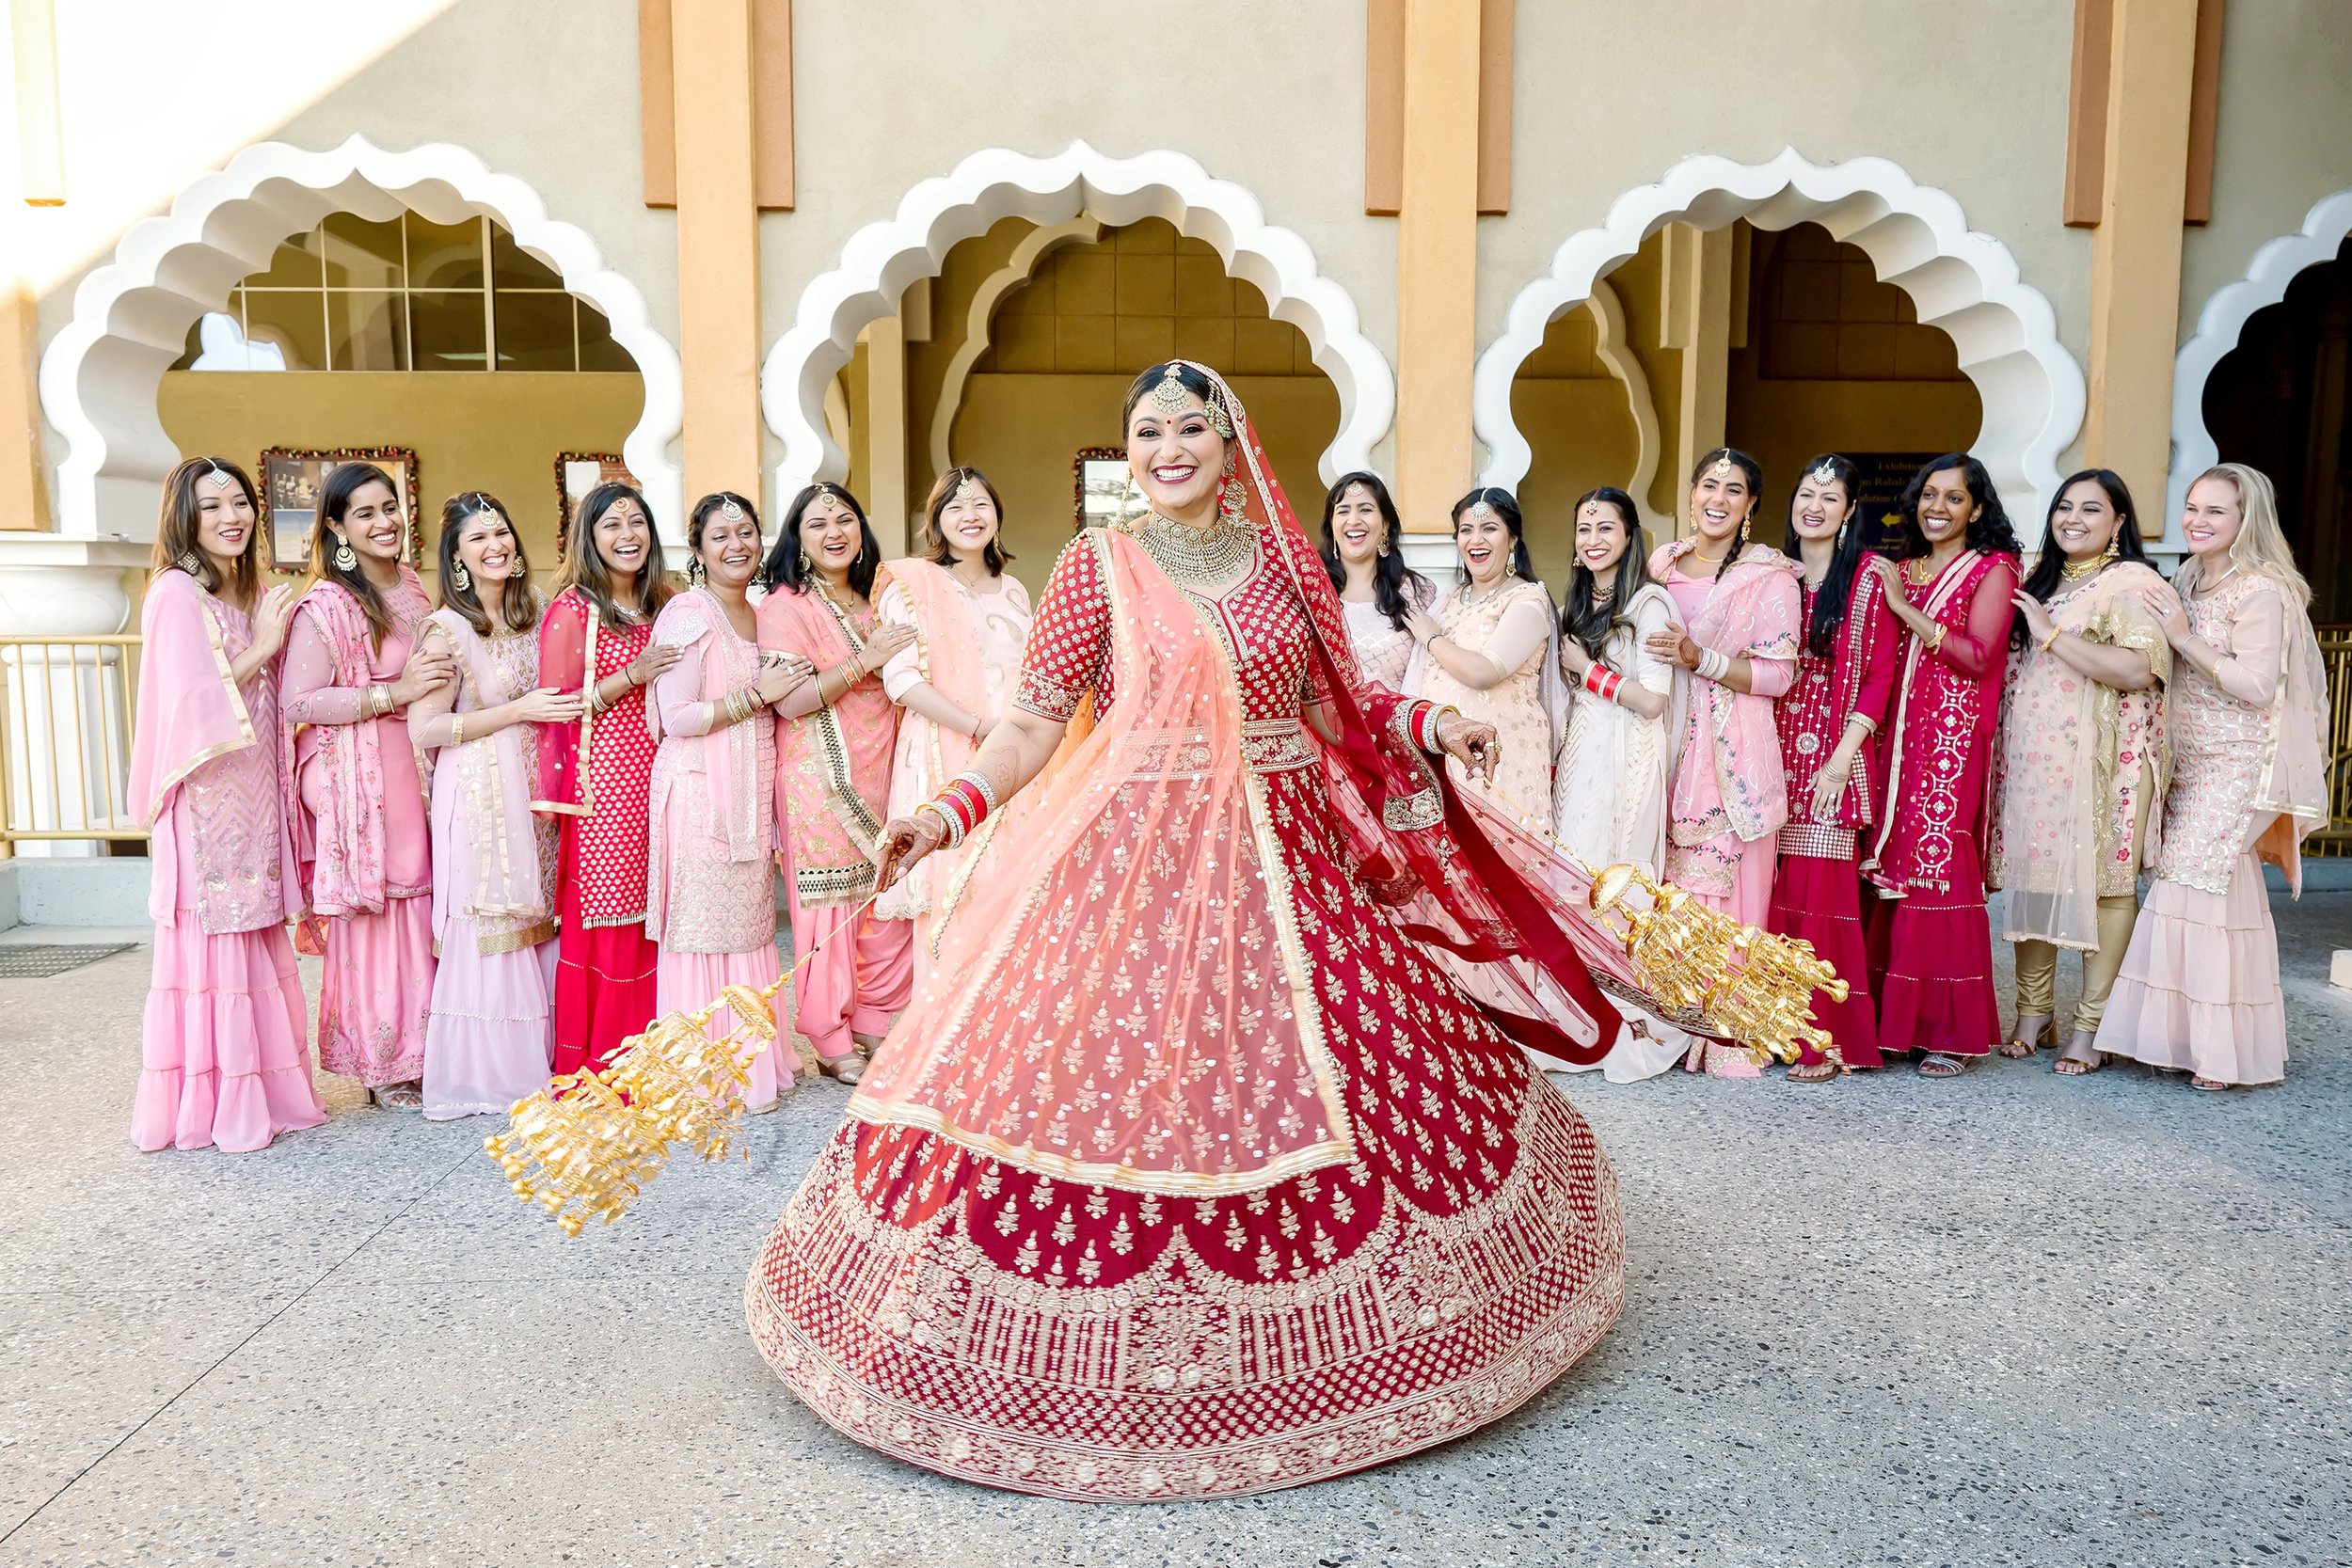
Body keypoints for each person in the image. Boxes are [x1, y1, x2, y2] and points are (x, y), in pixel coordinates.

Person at [745, 360, 1648, 1501]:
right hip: (1135, 866)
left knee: (1325, 1062)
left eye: (1190, 428)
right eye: (1147, 431)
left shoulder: (1282, 561)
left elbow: (1335, 706)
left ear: (1231, 445)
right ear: (1129, 451)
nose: (1168, 447)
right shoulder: (1096, 567)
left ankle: (1373, 1340)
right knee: (1101, 1072)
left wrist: (1430, 717)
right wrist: (943, 810)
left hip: (1287, 861)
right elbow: (1029, 725)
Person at [2097, 464, 2328, 1089]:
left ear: (2245, 519)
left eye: (2215, 511)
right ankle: (2190, 1041)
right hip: (2190, 762)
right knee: (2214, 888)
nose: (2197, 520)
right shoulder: (2190, 577)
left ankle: (2217, 1055)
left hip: (2238, 762)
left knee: (2191, 882)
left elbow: (2255, 687)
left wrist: (2182, 636)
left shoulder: (2262, 589)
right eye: (2192, 507)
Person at [127, 457, 326, 1152]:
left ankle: (265, 1093)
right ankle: (214, 1105)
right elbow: (189, 701)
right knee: (215, 946)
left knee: (256, 939)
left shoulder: (251, 590)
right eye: (212, 506)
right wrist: (267, 644)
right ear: (186, 516)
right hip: (207, 802)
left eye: (239, 502)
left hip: (257, 799)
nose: (231, 517)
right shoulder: (175, 593)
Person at [1992, 470, 2171, 1076]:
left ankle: (2091, 1025)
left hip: (2109, 760)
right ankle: (2033, 1013)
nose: (2072, 518)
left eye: (2091, 509)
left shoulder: (2132, 582)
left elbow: (2137, 670)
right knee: (2037, 880)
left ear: (2119, 523)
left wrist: (2049, 634)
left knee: (2109, 886)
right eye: (2064, 506)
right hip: (2037, 760)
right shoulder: (2037, 580)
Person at [281, 462, 449, 1109]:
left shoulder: (410, 586)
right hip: (363, 776)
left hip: (418, 764)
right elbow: (301, 703)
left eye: (391, 508)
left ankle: (430, 1048)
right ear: (336, 527)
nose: (385, 523)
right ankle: (385, 1063)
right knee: (385, 911)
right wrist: (394, 693)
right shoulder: (327, 605)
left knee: (422, 905)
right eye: (366, 514)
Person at [407, 493, 576, 1120]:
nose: (494, 546)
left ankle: (543, 1056)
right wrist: (517, 712)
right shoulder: (445, 630)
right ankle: (491, 1074)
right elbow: (424, 729)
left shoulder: (535, 614)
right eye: (476, 539)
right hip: (481, 791)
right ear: (456, 557)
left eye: (500, 531)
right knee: (496, 924)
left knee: (541, 920)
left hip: (532, 787)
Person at [1864, 454, 2022, 1077]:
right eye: (1929, 495)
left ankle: (1947, 1033)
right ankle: (1891, 1023)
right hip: (1893, 741)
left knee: (1938, 864)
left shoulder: (1994, 569)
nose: (1938, 507)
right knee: (1889, 867)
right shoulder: (1901, 566)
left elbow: (1979, 655)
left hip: (1951, 742)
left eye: (1954, 498)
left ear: (1977, 509)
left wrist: (1906, 609)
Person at [648, 494, 807, 1109]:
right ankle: (701, 1073)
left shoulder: (764, 611)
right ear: (698, 549)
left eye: (746, 531)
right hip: (696, 796)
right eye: (721, 535)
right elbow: (676, 715)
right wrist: (756, 695)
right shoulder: (690, 613)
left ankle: (751, 1063)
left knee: (748, 933)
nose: (736, 544)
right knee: (703, 935)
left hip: (748, 793)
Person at [1645, 449, 1800, 1077]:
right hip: (1665, 738)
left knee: (1730, 891)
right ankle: (1675, 1031)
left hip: (1732, 745)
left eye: (1734, 489)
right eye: (1709, 483)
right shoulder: (1660, 566)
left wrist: (1698, 657)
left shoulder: (1770, 579)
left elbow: (1778, 675)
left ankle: (1727, 1031)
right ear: (1691, 492)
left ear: (1750, 505)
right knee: (1674, 888)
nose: (1719, 496)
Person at [757, 483, 914, 1085]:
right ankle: (827, 1033)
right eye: (817, 522)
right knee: (828, 906)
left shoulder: (881, 597)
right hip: (817, 774)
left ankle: (875, 1017)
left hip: (889, 762)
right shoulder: (786, 608)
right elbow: (792, 702)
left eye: (845, 519)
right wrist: (865, 660)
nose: (834, 532)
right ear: (798, 537)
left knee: (889, 891)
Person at [534, 482, 676, 1078]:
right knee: (613, 919)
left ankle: (655, 1052)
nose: (627, 536)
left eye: (636, 522)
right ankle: (611, 1061)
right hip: (606, 791)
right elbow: (557, 703)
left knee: (656, 914)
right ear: (588, 539)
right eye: (611, 525)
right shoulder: (574, 609)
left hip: (663, 782)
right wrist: (632, 675)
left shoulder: (662, 602)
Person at [1547, 486, 1686, 1085]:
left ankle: (1631, 1021)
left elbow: (1654, 701)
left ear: (1630, 537)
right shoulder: (1577, 606)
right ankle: (1581, 1019)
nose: (1593, 539)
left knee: (1618, 881)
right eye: (1584, 528)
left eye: (1606, 528)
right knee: (1575, 877)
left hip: (1630, 759)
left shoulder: (1650, 604)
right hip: (1584, 755)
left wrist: (1589, 671)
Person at [1765, 456, 1898, 1079]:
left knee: (1820, 899)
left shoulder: (1869, 578)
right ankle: (1775, 1029)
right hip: (1772, 748)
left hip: (1832, 754)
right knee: (1776, 895)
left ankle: (1827, 1040)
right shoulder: (1775, 575)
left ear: (1849, 513)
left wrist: (1843, 760)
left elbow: (1878, 678)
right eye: (1806, 492)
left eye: (1830, 496)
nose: (1813, 505)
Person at [873, 467, 1034, 960]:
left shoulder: (1015, 590)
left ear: (997, 516)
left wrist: (1007, 734)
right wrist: (979, 728)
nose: (970, 515)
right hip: (945, 748)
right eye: (955, 506)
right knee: (952, 894)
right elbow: (901, 682)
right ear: (936, 521)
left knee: (1010, 892)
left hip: (1014, 752)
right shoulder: (914, 584)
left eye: (980, 504)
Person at [1405, 487, 1558, 830]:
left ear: (1513, 539)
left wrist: (1431, 637)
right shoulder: (1451, 598)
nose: (1476, 539)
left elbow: (1484, 672)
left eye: (1490, 528)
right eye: (1466, 530)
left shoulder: (1527, 600)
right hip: (1445, 753)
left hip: (1502, 756)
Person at [1317, 470, 1430, 690]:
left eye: (1365, 510)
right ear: (1332, 525)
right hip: (1326, 725)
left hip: (1395, 720)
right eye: (1343, 511)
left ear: (1385, 524)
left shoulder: (1418, 592)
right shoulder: (1312, 589)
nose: (1354, 520)